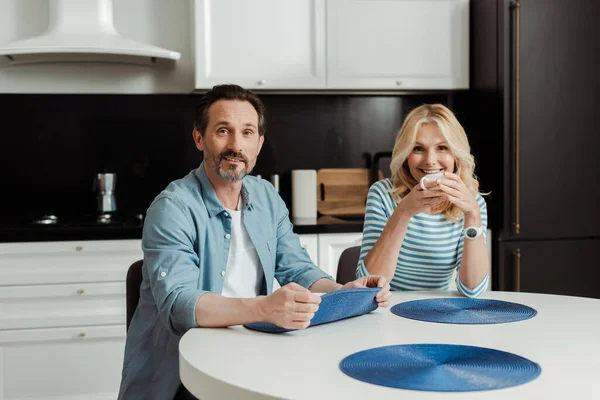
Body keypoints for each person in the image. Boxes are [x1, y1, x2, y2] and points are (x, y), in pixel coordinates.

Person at [118, 84, 391, 400]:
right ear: (199, 138)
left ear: (259, 143)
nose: (236, 144)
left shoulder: (266, 198)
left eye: (247, 133)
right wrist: (264, 308)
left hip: (252, 354)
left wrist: (343, 293)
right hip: (181, 374)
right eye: (223, 130)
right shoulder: (172, 208)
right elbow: (179, 304)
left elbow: (297, 268)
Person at [356, 104, 489, 298]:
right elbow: (369, 284)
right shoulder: (383, 194)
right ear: (406, 155)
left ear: (456, 155)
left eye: (442, 148)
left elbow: (473, 290)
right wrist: (404, 211)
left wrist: (473, 215)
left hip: (437, 310)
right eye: (418, 149)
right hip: (387, 309)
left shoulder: (472, 203)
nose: (430, 160)